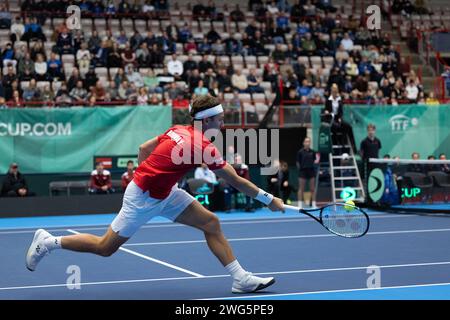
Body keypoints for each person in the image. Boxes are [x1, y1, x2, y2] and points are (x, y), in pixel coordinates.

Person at [26, 95, 284, 294]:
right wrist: (269, 199)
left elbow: (143, 147)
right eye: (219, 119)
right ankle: (49, 242)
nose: (223, 123)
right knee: (105, 248)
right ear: (206, 121)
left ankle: (240, 278)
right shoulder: (203, 146)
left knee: (211, 223)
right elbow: (236, 181)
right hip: (143, 199)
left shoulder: (178, 129)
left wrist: (151, 174)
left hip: (165, 193)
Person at [322, 83, 357, 152]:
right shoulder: (328, 100)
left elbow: (340, 111)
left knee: (348, 127)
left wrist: (340, 117)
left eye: (336, 91)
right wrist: (326, 112)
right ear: (331, 91)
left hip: (338, 118)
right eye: (333, 91)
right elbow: (326, 110)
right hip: (330, 118)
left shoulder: (339, 99)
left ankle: (353, 146)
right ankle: (339, 143)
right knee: (336, 126)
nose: (335, 92)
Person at [297, 137, 319, 208]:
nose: (307, 143)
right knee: (301, 189)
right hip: (302, 171)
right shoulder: (300, 152)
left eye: (309, 142)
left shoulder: (313, 152)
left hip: (311, 171)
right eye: (306, 142)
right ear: (303, 143)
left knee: (312, 189)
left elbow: (315, 161)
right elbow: (298, 162)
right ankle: (300, 204)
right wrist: (300, 170)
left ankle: (313, 204)